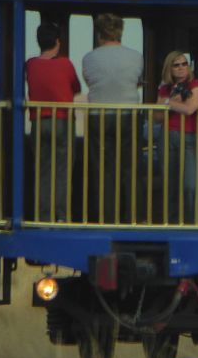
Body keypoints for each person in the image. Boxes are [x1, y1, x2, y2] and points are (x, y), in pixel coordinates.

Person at [82, 13, 144, 224]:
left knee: (102, 170)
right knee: (130, 168)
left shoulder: (89, 58)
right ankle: (131, 218)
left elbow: (90, 82)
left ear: (100, 34)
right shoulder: (136, 56)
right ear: (121, 33)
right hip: (128, 116)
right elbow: (137, 82)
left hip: (99, 117)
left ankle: (104, 217)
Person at [25, 21, 81, 222]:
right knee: (63, 171)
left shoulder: (30, 64)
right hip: (63, 121)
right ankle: (61, 216)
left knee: (43, 171)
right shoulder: (65, 64)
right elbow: (76, 87)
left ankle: (43, 215)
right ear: (58, 42)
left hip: (39, 122)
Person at [157, 51, 198, 224]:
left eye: (184, 64)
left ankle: (191, 223)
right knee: (170, 184)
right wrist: (173, 101)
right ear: (169, 68)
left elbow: (190, 109)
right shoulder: (165, 88)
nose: (181, 68)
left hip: (188, 135)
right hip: (167, 135)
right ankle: (171, 222)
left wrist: (169, 103)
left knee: (189, 185)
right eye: (176, 65)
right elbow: (157, 115)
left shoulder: (195, 84)